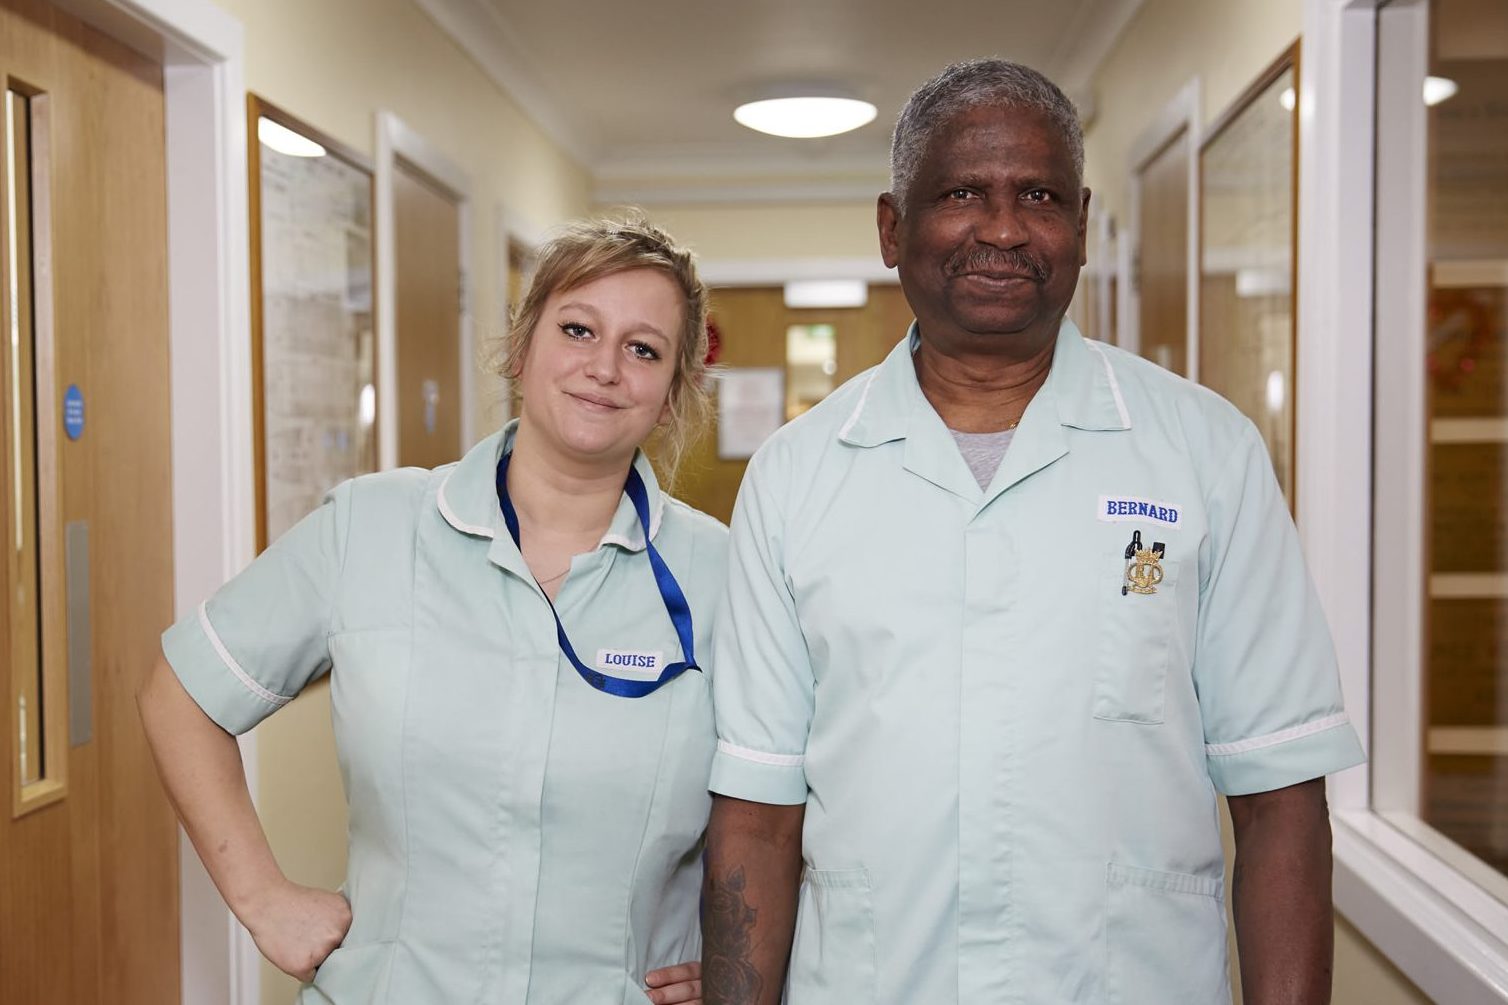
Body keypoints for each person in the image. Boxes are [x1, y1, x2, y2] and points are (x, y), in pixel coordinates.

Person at [701, 58, 1366, 1005]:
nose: (1004, 228)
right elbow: (756, 817)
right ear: (893, 229)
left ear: (1083, 225)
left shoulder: (1205, 453)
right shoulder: (798, 475)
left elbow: (1282, 801)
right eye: (963, 191)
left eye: (1039, 194)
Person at [139, 217, 726, 1004]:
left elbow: (786, 792)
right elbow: (180, 690)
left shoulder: (722, 574)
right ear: (521, 349)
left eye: (643, 348)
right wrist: (263, 898)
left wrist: (738, 954)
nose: (604, 368)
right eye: (578, 328)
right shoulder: (371, 526)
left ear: (672, 392)